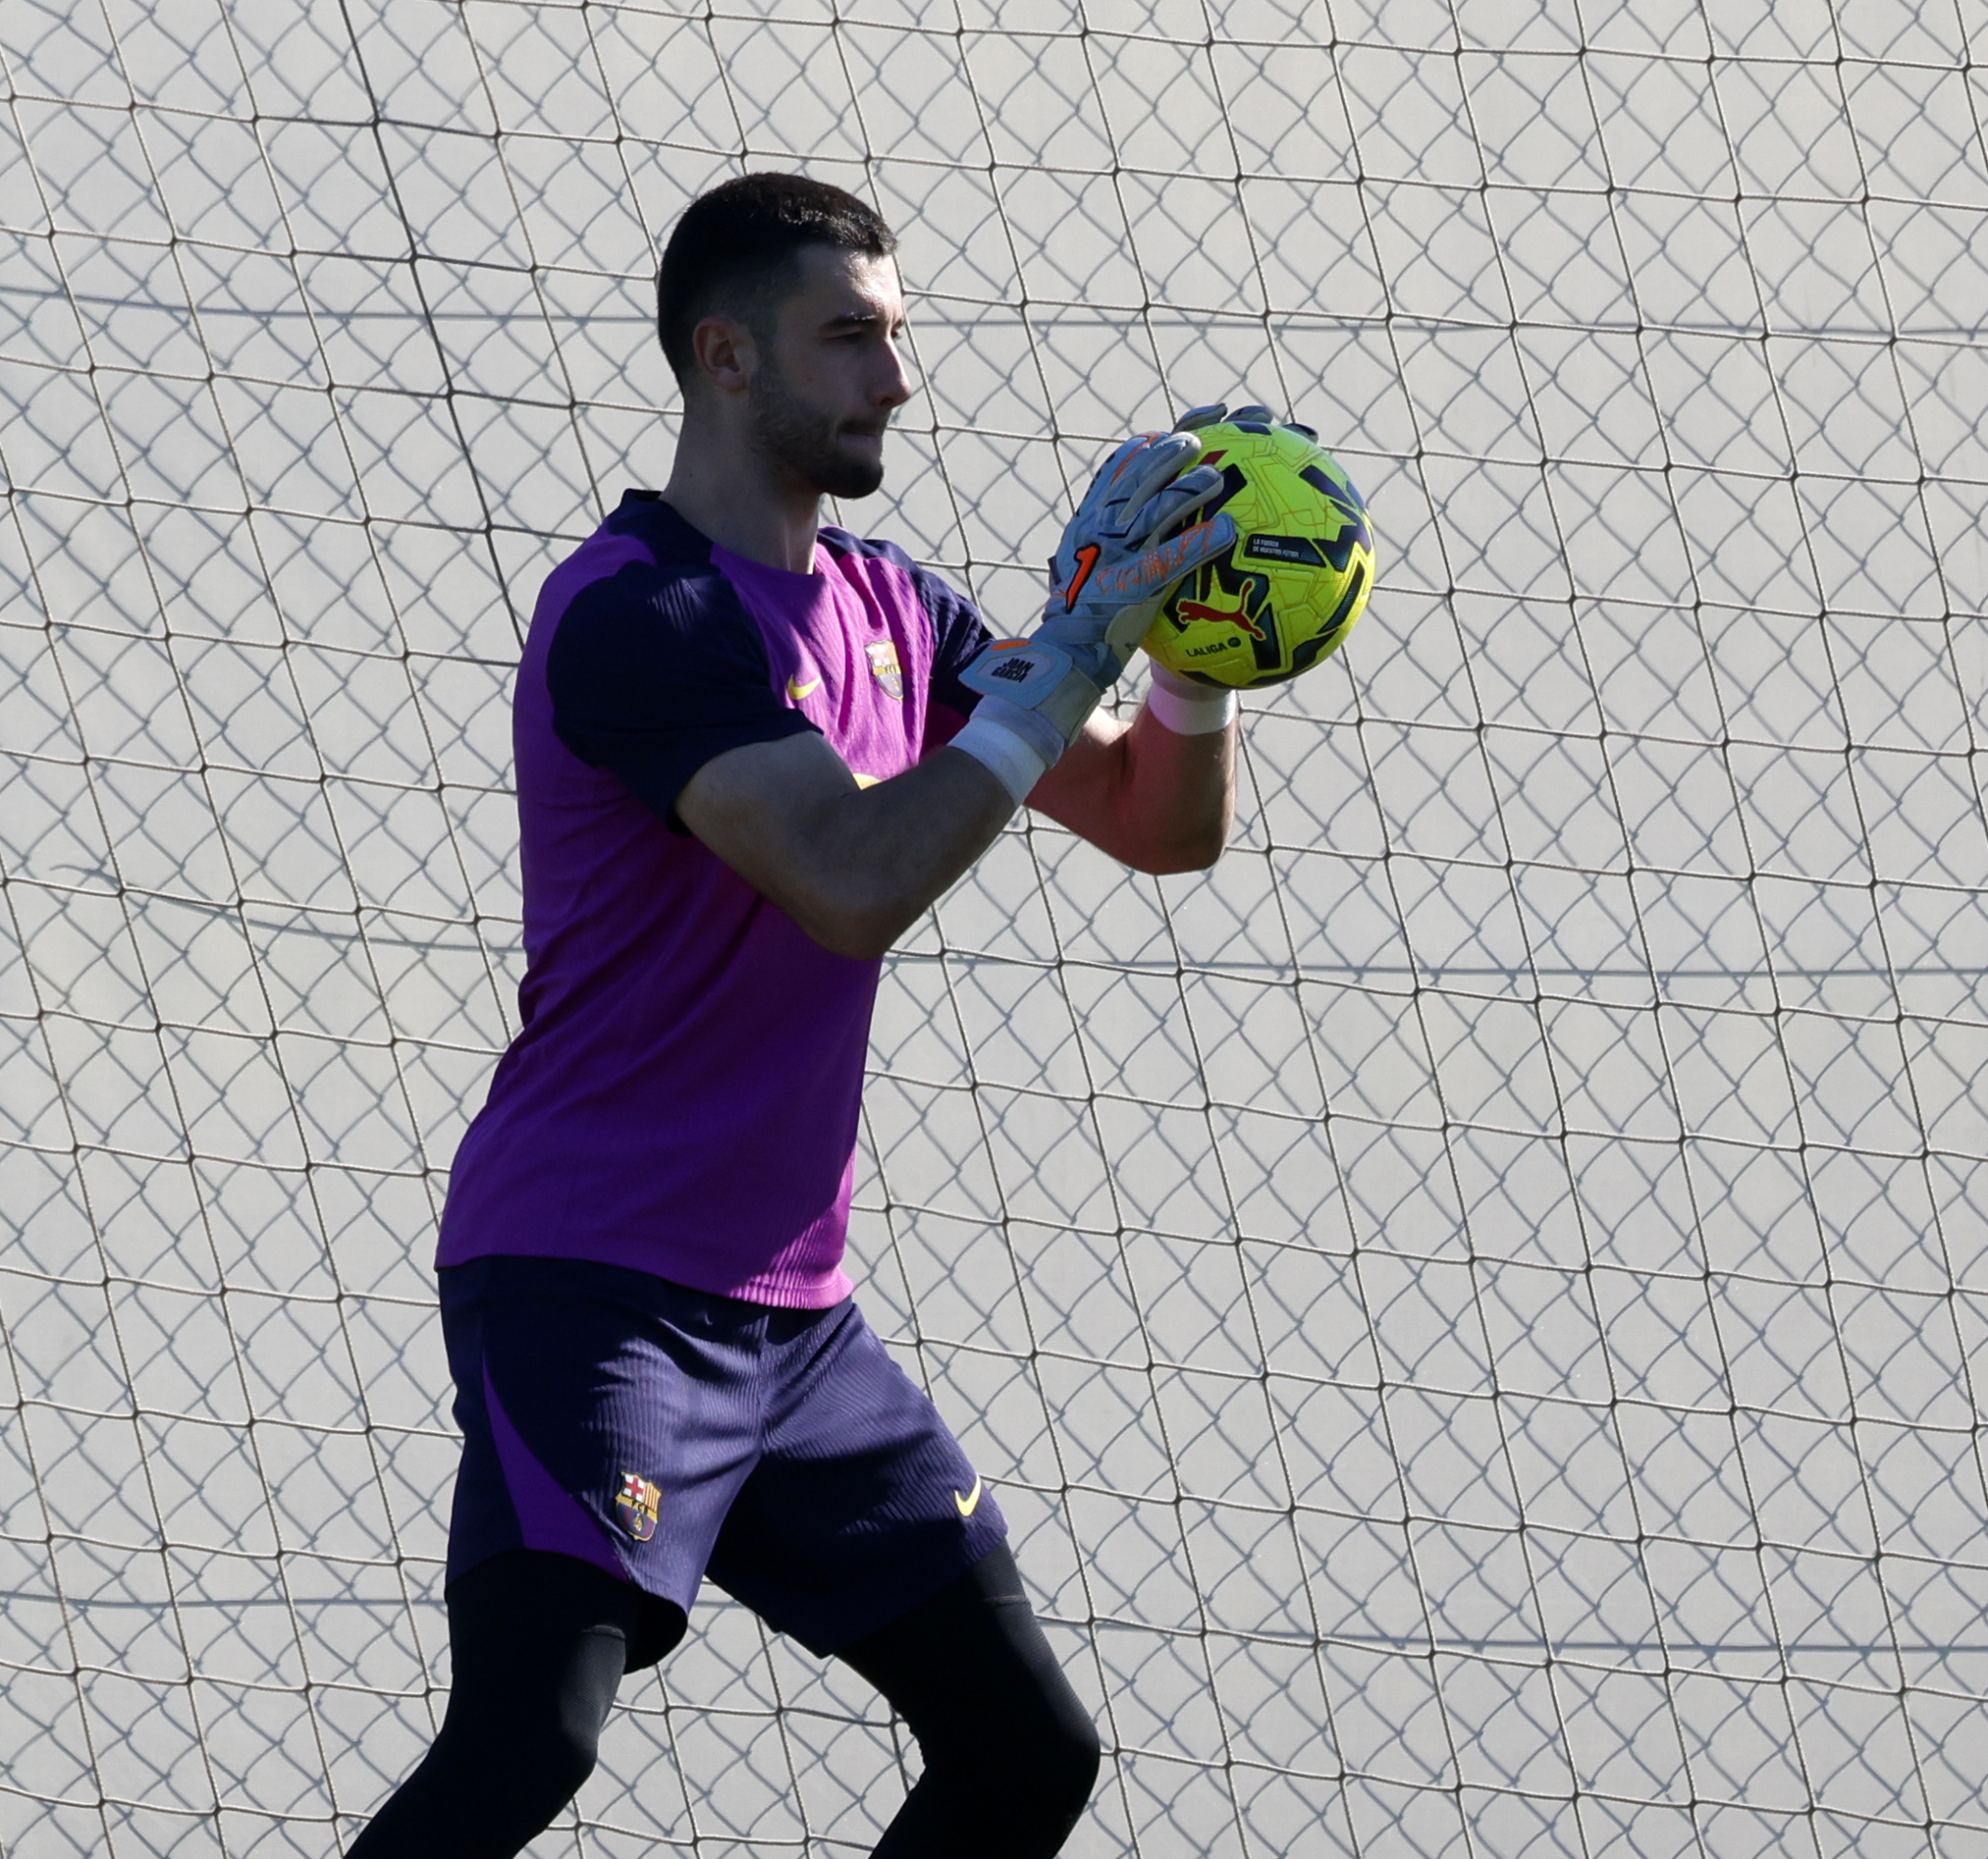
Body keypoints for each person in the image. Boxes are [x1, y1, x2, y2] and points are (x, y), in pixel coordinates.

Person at [347, 171, 1246, 1859]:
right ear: (726, 357)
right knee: (530, 1738)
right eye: (849, 338)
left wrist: (1188, 659)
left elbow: (1153, 826)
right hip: (596, 1281)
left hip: (797, 1325)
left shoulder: (898, 609)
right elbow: (847, 876)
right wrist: (1065, 666)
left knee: (1023, 1752)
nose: (895, 382)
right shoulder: (637, 616)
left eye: (898, 338)